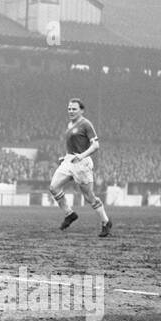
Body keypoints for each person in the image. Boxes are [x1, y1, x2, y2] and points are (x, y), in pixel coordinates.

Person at [49, 97, 112, 237]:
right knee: (53, 187)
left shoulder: (86, 124)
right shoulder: (69, 124)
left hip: (81, 164)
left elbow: (96, 145)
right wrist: (66, 157)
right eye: (69, 108)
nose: (70, 111)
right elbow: (72, 144)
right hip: (69, 161)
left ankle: (105, 222)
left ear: (81, 110)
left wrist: (82, 156)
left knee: (89, 197)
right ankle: (69, 214)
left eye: (74, 109)